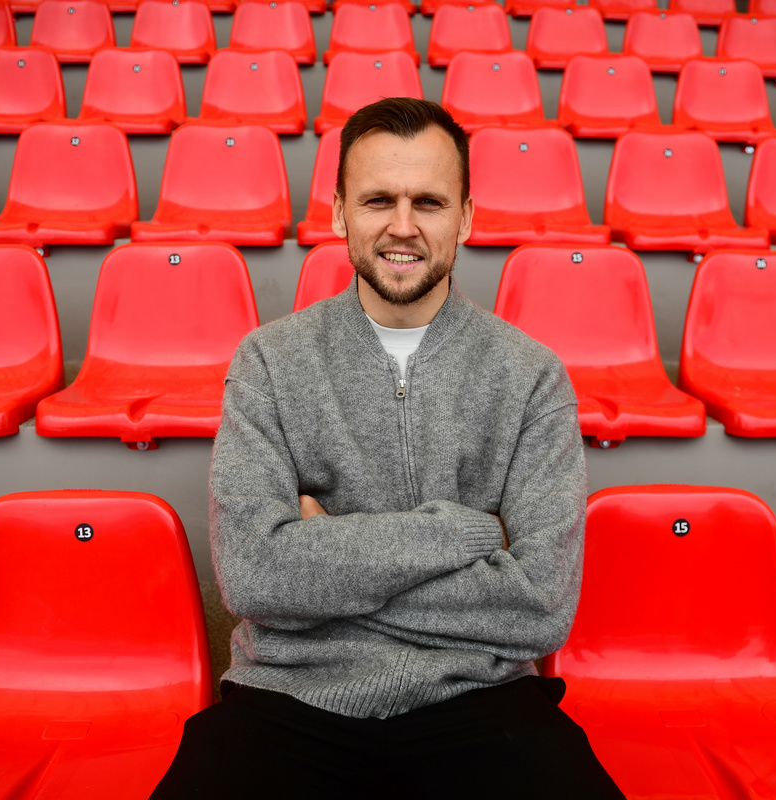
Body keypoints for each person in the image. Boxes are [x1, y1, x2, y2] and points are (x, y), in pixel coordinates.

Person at [151, 98, 623, 798]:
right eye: (378, 200)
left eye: (428, 202)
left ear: (465, 217)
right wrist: (466, 535)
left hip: (479, 699)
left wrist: (324, 561)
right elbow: (252, 578)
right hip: (289, 696)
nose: (403, 226)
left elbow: (541, 605)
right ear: (341, 213)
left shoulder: (531, 377)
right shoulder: (270, 363)